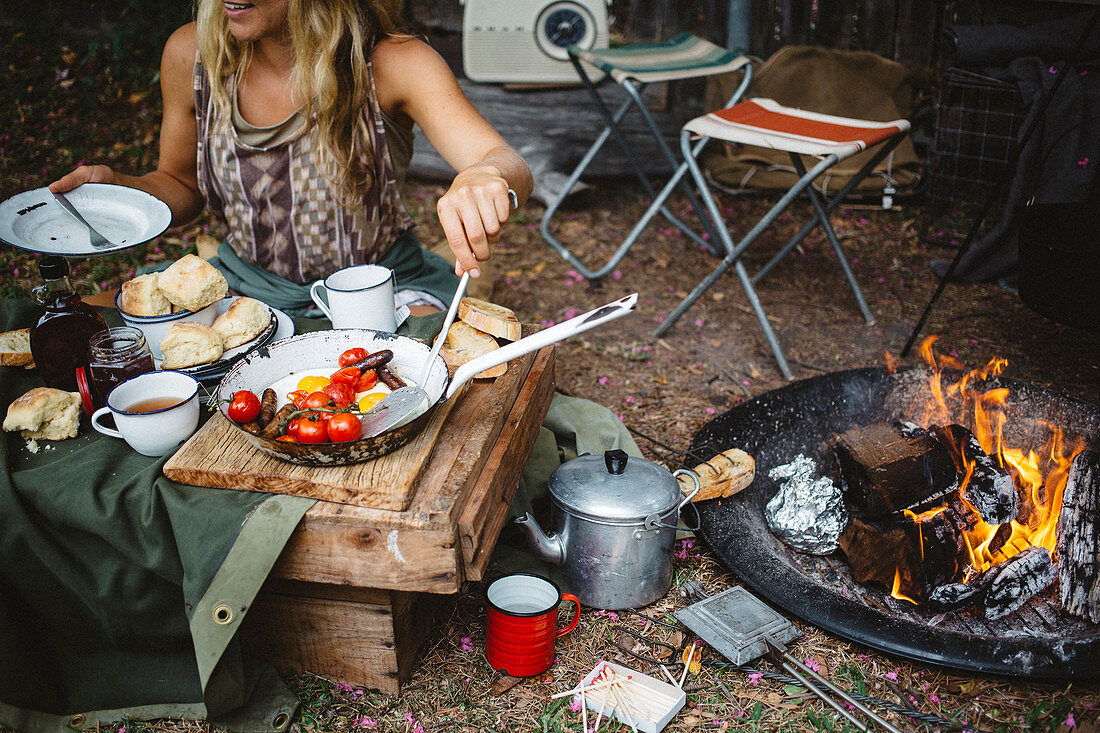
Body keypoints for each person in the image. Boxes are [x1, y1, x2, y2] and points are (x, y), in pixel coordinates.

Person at [50, 0, 533, 315]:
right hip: (245, 290)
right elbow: (179, 185)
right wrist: (124, 190)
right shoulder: (191, 54)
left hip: (379, 292)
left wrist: (485, 174)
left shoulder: (390, 62)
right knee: (88, 327)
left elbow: (505, 160)